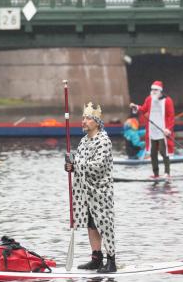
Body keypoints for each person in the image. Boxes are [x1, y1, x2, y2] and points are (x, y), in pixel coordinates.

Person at [64, 102, 116, 273]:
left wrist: (76, 163)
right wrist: (69, 166)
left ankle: (111, 261)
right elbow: (78, 164)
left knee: (104, 224)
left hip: (100, 191)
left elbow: (97, 166)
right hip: (85, 191)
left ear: (96, 121)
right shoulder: (83, 141)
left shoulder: (104, 141)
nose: (83, 121)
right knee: (91, 224)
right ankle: (96, 258)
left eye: (87, 118)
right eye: (83, 118)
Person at [129, 80, 175, 179]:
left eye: (156, 90)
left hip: (163, 131)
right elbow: (143, 109)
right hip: (152, 130)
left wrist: (168, 129)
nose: (153, 91)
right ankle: (156, 174)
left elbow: (171, 116)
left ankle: (167, 173)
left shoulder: (167, 101)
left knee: (163, 151)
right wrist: (135, 107)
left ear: (160, 91)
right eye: (152, 89)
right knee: (153, 153)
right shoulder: (149, 99)